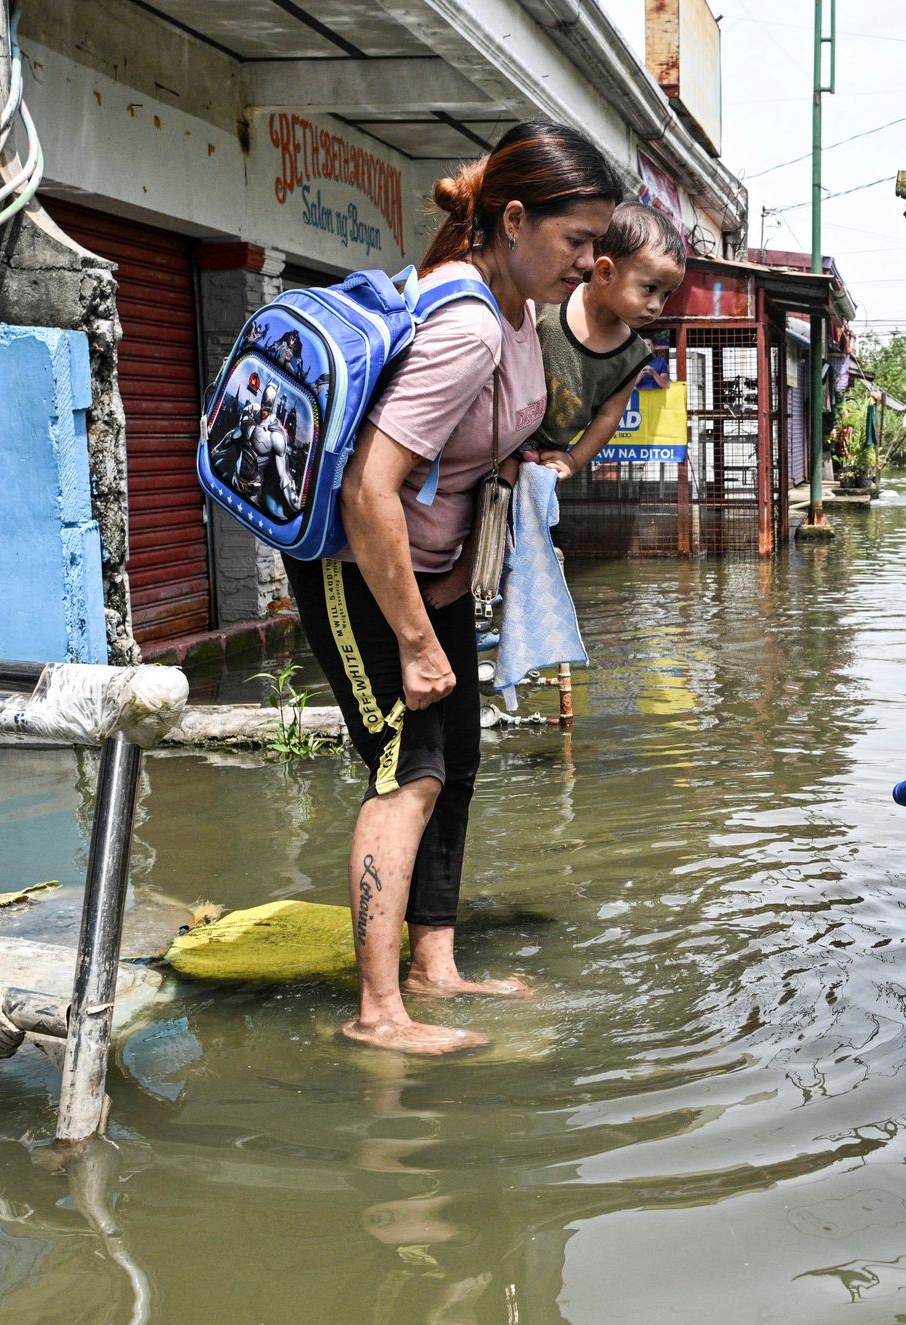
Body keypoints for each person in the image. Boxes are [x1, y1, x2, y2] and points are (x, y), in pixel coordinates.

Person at [282, 121, 624, 1056]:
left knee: (457, 759)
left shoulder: (512, 314)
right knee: (409, 770)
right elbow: (368, 488)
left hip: (427, 571)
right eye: (577, 241)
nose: (592, 262)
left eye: (600, 242)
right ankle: (376, 1012)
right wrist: (419, 641)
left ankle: (435, 967)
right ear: (513, 220)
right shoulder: (470, 323)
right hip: (358, 570)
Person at [526, 202, 688, 479]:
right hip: (496, 439)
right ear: (605, 273)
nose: (656, 305)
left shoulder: (632, 356)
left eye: (665, 295)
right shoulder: (550, 301)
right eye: (649, 288)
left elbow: (608, 417)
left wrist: (573, 460)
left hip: (541, 462)